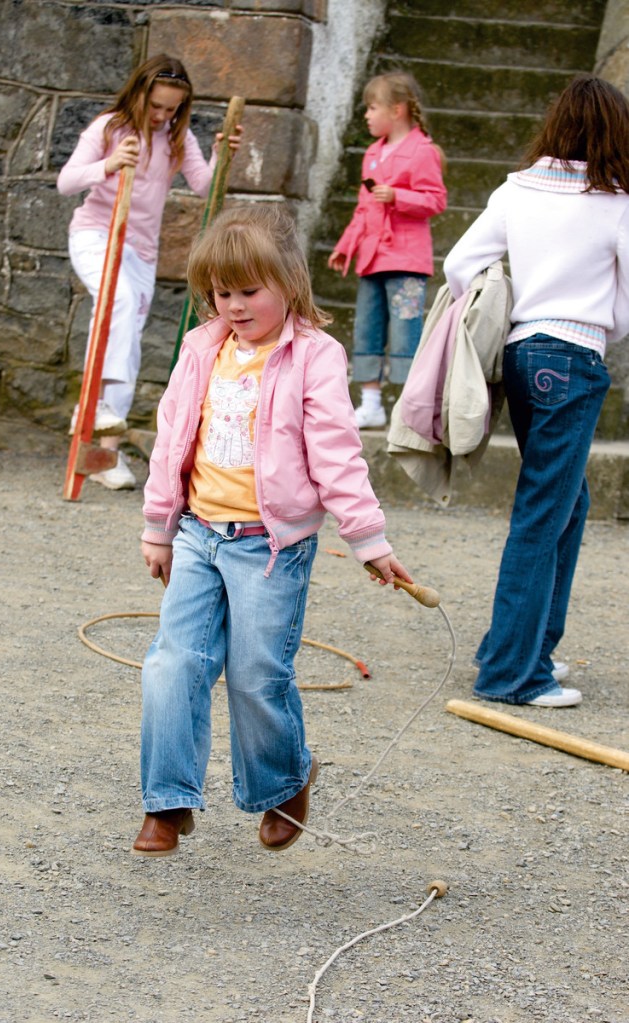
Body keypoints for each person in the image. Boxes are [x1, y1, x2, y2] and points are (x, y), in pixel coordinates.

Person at [132, 204, 412, 857]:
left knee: (257, 669)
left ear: (288, 281)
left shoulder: (315, 356)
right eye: (220, 292)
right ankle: (167, 801)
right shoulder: (202, 348)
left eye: (247, 290)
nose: (232, 305)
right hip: (200, 534)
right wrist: (157, 524)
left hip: (269, 545)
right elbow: (172, 436)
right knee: (173, 662)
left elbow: (338, 454)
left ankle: (284, 780)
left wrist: (367, 538)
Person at [443, 73, 629, 708]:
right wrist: (600, 325)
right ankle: (511, 674)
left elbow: (459, 266)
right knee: (544, 512)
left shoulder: (516, 189)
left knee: (565, 504)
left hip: (523, 353)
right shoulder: (616, 201)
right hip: (574, 356)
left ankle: (522, 650)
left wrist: (518, 303)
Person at [56, 53, 242, 489]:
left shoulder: (177, 139)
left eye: (172, 109)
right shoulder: (109, 127)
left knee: (130, 337)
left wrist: (220, 156)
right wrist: (109, 162)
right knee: (114, 302)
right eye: (156, 105)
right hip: (97, 233)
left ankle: (106, 450)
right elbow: (67, 181)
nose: (162, 115)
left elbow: (204, 186)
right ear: (140, 93)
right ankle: (94, 407)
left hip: (141, 250)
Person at [328, 70, 447, 429]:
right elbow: (363, 208)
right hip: (372, 258)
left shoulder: (422, 150)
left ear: (396, 110)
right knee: (367, 327)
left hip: (407, 262)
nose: (366, 115)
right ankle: (371, 402)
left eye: (372, 107)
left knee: (406, 329)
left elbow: (436, 200)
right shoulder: (372, 154)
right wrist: (346, 247)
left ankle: (410, 407)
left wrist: (399, 196)